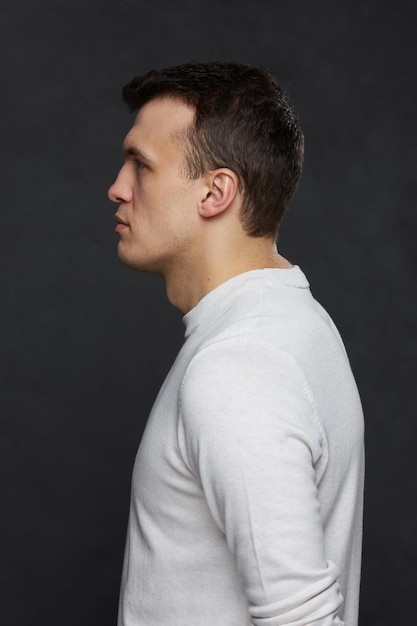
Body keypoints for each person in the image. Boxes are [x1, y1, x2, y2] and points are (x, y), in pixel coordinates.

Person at [108, 61, 364, 626]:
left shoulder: (240, 365)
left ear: (216, 192)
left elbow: (303, 619)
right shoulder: (291, 319)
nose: (117, 189)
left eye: (141, 166)